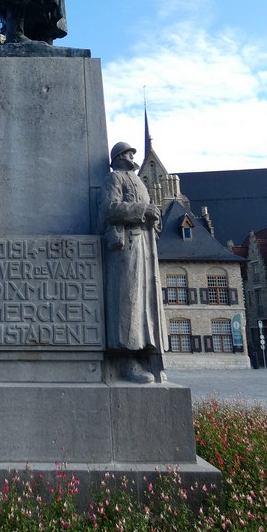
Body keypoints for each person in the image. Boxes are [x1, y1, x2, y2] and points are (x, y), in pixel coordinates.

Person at [99, 142, 168, 383]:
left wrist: (154, 216)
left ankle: (148, 356)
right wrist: (143, 210)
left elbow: (150, 212)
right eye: (128, 153)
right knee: (128, 302)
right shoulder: (114, 179)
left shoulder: (137, 180)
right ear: (118, 156)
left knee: (146, 304)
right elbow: (109, 209)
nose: (132, 156)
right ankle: (127, 360)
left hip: (146, 246)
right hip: (127, 246)